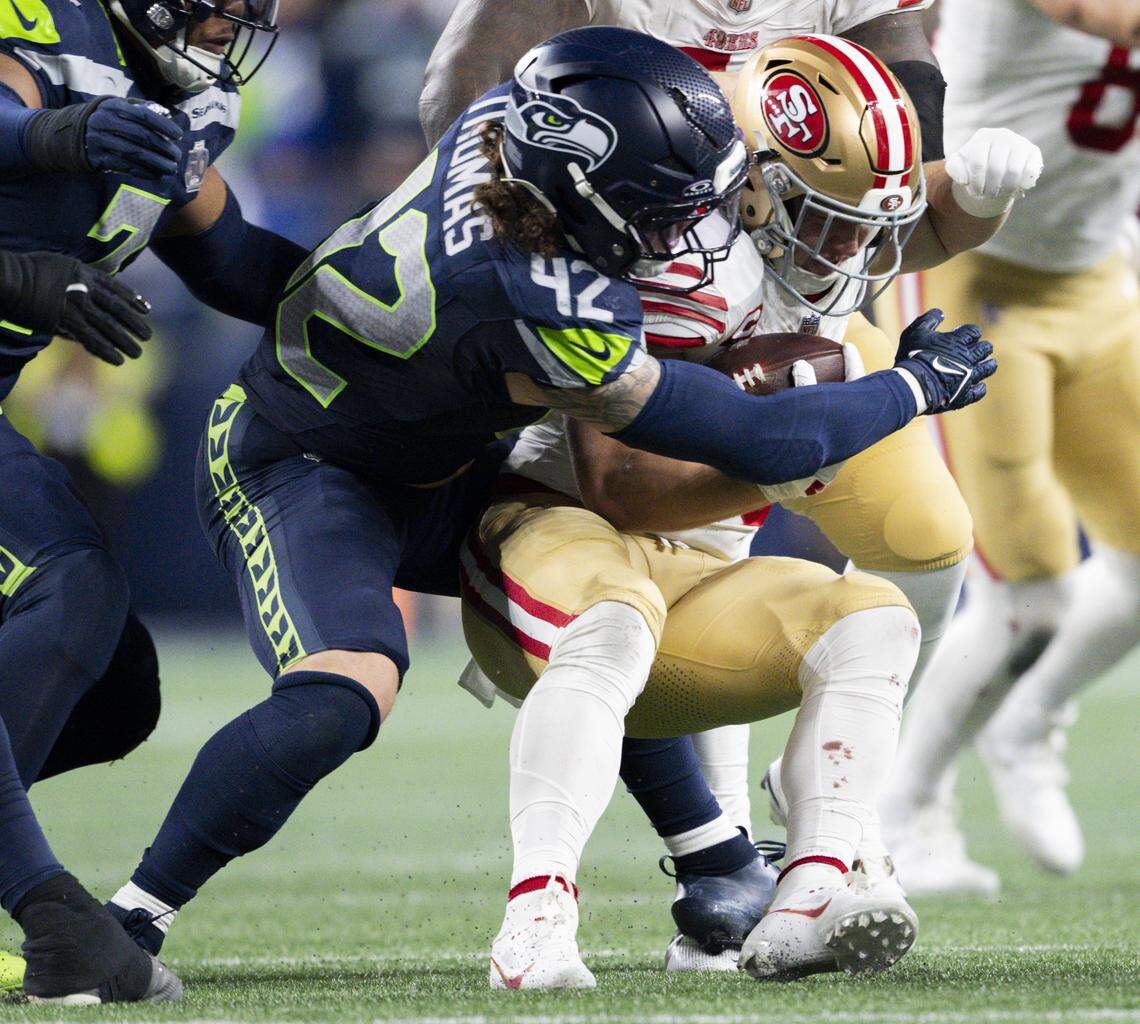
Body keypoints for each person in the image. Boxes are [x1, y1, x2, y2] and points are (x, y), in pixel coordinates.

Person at [102, 28, 992, 976]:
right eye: (661, 211)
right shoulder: (541, 298)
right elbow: (750, 439)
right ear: (583, 198)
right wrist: (906, 387)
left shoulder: (512, 125)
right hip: (306, 460)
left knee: (602, 611)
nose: (684, 233)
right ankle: (127, 919)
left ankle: (717, 860)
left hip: (430, 445)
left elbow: (246, 258)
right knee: (345, 689)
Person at [419, 0, 1043, 963]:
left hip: (698, 572)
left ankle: (816, 879)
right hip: (564, 541)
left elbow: (909, 225)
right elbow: (627, 484)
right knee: (616, 619)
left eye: (863, 232)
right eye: (826, 226)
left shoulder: (824, 230)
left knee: (884, 606)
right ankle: (540, 916)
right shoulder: (674, 264)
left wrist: (984, 194)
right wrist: (803, 444)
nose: (848, 258)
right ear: (750, 190)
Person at [0, 0, 293, 1001]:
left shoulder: (183, 108)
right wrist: (52, 139)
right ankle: (50, 914)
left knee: (111, 682)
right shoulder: (47, 37)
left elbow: (238, 262)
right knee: (68, 591)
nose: (231, 22)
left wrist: (413, 289)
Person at [876, 0, 1140, 895]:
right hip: (975, 260)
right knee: (1033, 589)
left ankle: (1029, 720)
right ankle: (903, 810)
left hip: (1098, 271)